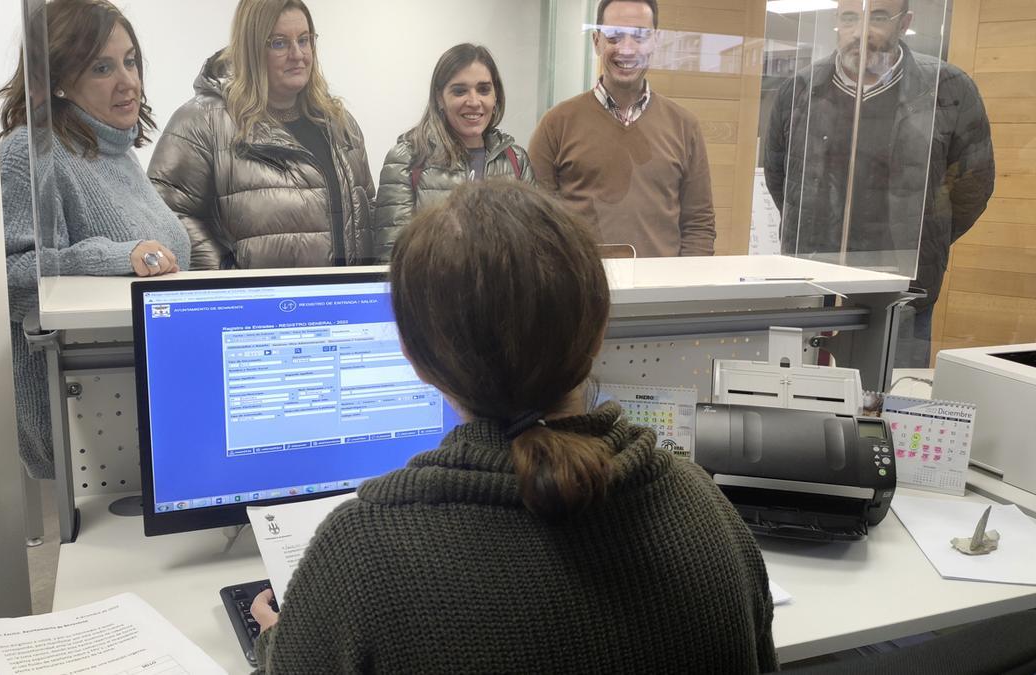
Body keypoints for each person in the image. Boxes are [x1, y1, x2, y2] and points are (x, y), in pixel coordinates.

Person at [247, 181, 777, 672]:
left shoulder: (361, 557)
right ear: (597, 335)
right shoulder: (706, 511)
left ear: (415, 359)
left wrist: (281, 641)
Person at [0, 0, 189, 479]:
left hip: (140, 400)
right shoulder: (31, 152)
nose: (128, 81)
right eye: (102, 67)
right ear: (59, 78)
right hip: (91, 422)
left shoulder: (116, 153)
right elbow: (12, 279)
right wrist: (119, 257)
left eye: (131, 61)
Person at [763, 0, 994, 367]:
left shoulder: (949, 88)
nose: (862, 31)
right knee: (804, 405)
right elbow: (780, 178)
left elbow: (973, 184)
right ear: (837, 22)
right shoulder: (801, 89)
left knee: (888, 405)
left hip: (902, 288)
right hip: (815, 282)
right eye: (850, 18)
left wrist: (922, 237)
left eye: (879, 17)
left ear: (905, 23)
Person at [148, 0, 376, 270]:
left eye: (304, 40)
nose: (298, 55)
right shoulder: (202, 122)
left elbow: (368, 210)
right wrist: (226, 276)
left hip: (343, 303)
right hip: (256, 307)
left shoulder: (339, 124)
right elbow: (167, 214)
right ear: (251, 48)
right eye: (279, 43)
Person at [528, 0, 716, 258]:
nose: (626, 50)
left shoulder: (685, 127)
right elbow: (535, 224)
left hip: (661, 293)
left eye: (639, 37)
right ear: (596, 41)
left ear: (656, 42)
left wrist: (685, 288)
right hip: (583, 290)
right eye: (614, 37)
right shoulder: (556, 123)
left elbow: (699, 225)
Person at [373, 44, 536, 261]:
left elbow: (535, 247)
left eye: (484, 89)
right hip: (430, 293)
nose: (474, 101)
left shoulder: (516, 160)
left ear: (496, 96)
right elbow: (392, 259)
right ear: (440, 98)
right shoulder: (407, 160)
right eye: (460, 91)